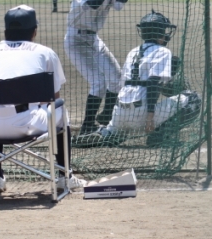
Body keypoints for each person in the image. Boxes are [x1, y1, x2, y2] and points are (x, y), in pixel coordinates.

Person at [0, 5, 86, 193]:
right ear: (34, 31)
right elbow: (53, 98)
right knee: (60, 110)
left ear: (5, 31)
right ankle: (64, 177)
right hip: (27, 125)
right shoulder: (45, 53)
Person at [76, 11, 201, 147]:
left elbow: (122, 84)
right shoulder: (163, 52)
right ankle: (159, 137)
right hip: (142, 115)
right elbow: (153, 84)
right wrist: (150, 117)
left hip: (119, 113)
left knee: (117, 132)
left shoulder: (133, 52)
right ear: (159, 33)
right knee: (193, 99)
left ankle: (108, 133)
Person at [64, 0, 128, 140]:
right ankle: (87, 125)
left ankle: (106, 116)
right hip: (76, 40)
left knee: (116, 78)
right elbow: (93, 4)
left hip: (93, 39)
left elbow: (120, 5)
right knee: (99, 81)